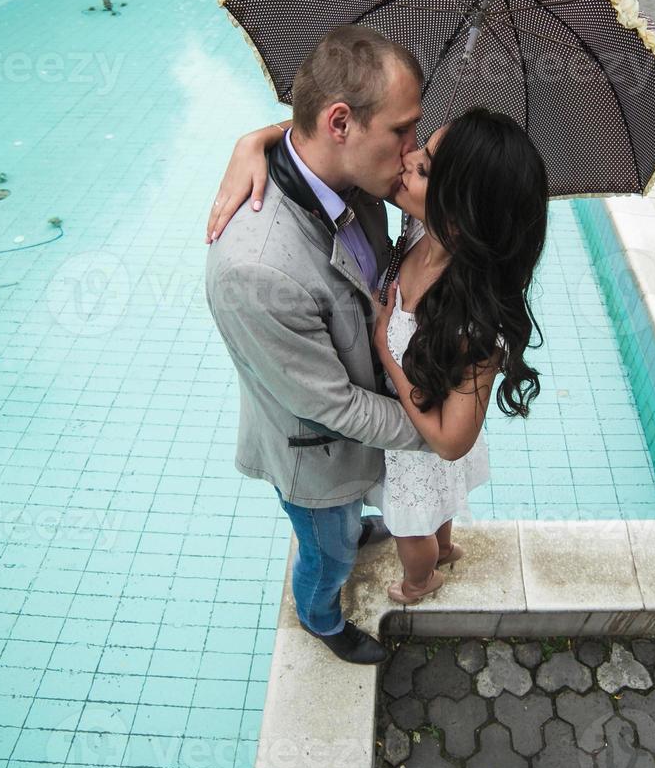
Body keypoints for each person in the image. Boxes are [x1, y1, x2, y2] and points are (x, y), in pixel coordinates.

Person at [210, 106, 550, 608]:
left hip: (419, 444)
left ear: (461, 217)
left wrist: (385, 352)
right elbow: (337, 139)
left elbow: (450, 443)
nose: (406, 159)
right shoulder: (419, 232)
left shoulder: (470, 320)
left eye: (424, 168)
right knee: (439, 508)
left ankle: (421, 581)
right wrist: (254, 140)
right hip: (408, 423)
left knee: (411, 527)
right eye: (421, 148)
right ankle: (448, 545)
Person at [204, 25, 429, 666]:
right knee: (326, 551)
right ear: (339, 123)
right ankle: (320, 616)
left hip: (354, 430)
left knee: (346, 528)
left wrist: (257, 134)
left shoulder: (353, 174)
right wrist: (435, 431)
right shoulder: (256, 270)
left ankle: (355, 529)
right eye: (402, 129)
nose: (413, 149)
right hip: (318, 454)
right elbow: (335, 406)